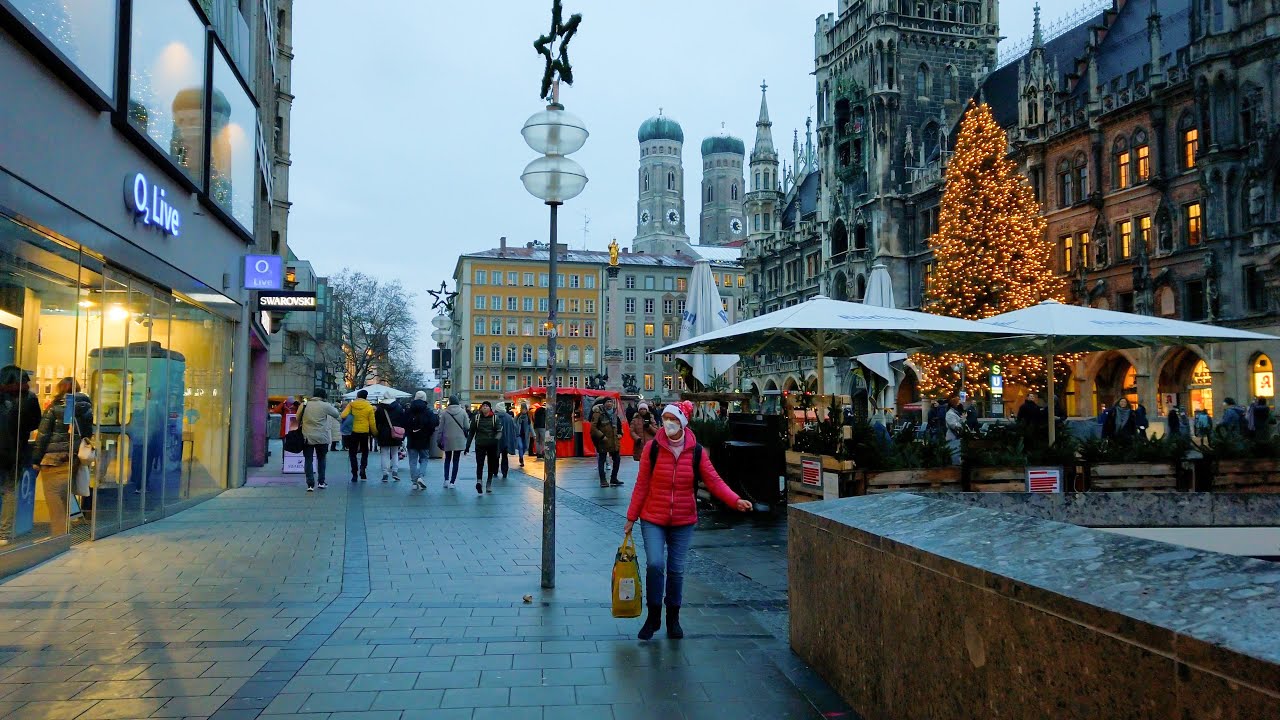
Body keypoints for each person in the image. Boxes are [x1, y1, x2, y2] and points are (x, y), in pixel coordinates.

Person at [624, 401, 753, 640]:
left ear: (683, 422)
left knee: (676, 570)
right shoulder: (652, 449)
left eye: (673, 419)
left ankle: (673, 618)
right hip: (653, 517)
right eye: (665, 419)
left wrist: (735, 500)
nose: (668, 423)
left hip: (683, 519)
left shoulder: (696, 452)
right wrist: (631, 517)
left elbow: (714, 480)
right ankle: (653, 617)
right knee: (655, 564)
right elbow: (641, 485)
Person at [32, 378, 92, 535]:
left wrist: (35, 460)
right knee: (65, 496)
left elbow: (43, 436)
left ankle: (59, 535)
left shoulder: (54, 408)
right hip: (73, 458)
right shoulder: (86, 409)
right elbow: (87, 434)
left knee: (54, 498)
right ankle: (64, 531)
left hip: (53, 459)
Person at [0, 366, 43, 538]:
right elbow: (35, 423)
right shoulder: (30, 398)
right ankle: (3, 533)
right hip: (14, 452)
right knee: (10, 490)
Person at [299, 389, 339, 492]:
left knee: (308, 460)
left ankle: (310, 484)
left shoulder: (304, 404)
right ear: (323, 396)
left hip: (307, 436)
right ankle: (321, 482)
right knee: (321, 459)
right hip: (322, 437)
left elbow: (297, 417)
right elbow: (336, 414)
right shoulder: (325, 405)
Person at [340, 389, 378, 482]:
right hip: (364, 432)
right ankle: (363, 470)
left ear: (357, 396)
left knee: (352, 453)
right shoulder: (369, 407)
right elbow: (372, 423)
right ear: (366, 397)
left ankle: (354, 474)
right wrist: (375, 432)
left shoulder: (352, 405)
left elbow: (343, 415)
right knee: (365, 452)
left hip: (353, 432)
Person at [404, 391, 439, 490]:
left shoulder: (409, 410)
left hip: (412, 439)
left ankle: (414, 482)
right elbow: (434, 423)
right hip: (424, 439)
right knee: (424, 458)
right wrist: (429, 432)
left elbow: (404, 423)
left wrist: (409, 432)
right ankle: (420, 476)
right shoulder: (428, 411)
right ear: (425, 398)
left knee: (412, 461)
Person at [464, 400, 502, 494]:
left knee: (491, 464)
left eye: (487, 406)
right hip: (480, 444)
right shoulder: (476, 418)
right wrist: (467, 446)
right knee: (479, 464)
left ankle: (489, 483)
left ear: (490, 408)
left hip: (491, 445)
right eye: (483, 406)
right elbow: (471, 433)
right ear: (481, 408)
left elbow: (499, 431)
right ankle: (479, 482)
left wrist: (496, 440)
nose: (485, 407)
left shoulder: (495, 418)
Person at [591, 397, 623, 487]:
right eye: (607, 402)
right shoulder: (598, 413)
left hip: (613, 440)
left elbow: (619, 425)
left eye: (611, 402)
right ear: (604, 403)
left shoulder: (614, 413)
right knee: (602, 460)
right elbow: (593, 428)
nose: (609, 404)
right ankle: (603, 480)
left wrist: (620, 433)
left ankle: (614, 478)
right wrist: (601, 436)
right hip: (603, 441)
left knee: (617, 459)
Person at [439, 396, 470, 488]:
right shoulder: (463, 412)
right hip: (459, 439)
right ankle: (452, 482)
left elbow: (440, 428)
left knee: (447, 460)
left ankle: (446, 480)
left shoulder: (445, 413)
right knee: (456, 460)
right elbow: (467, 426)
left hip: (447, 438)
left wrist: (438, 440)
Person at [375, 396, 404, 482]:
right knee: (395, 453)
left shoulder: (380, 408)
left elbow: (377, 421)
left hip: (383, 433)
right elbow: (402, 421)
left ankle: (385, 474)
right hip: (396, 432)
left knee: (384, 454)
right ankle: (395, 471)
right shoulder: (398, 407)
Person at [495, 402, 518, 479]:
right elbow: (514, 429)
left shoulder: (494, 417)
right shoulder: (509, 417)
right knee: (505, 456)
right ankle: (504, 472)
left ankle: (495, 471)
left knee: (495, 456)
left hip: (496, 440)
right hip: (506, 440)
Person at [944, 394, 965, 464]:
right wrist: (962, 424)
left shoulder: (955, 413)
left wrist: (963, 419)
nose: (959, 405)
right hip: (953, 437)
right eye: (958, 403)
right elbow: (954, 425)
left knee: (957, 453)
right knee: (954, 454)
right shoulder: (950, 414)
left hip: (956, 437)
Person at [515, 401, 533, 467]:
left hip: (525, 436)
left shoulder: (528, 418)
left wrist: (534, 435)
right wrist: (517, 426)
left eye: (525, 409)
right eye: (522, 409)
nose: (523, 410)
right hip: (518, 435)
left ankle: (521, 456)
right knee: (520, 446)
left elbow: (530, 426)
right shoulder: (517, 417)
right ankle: (521, 459)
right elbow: (513, 424)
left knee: (525, 447)